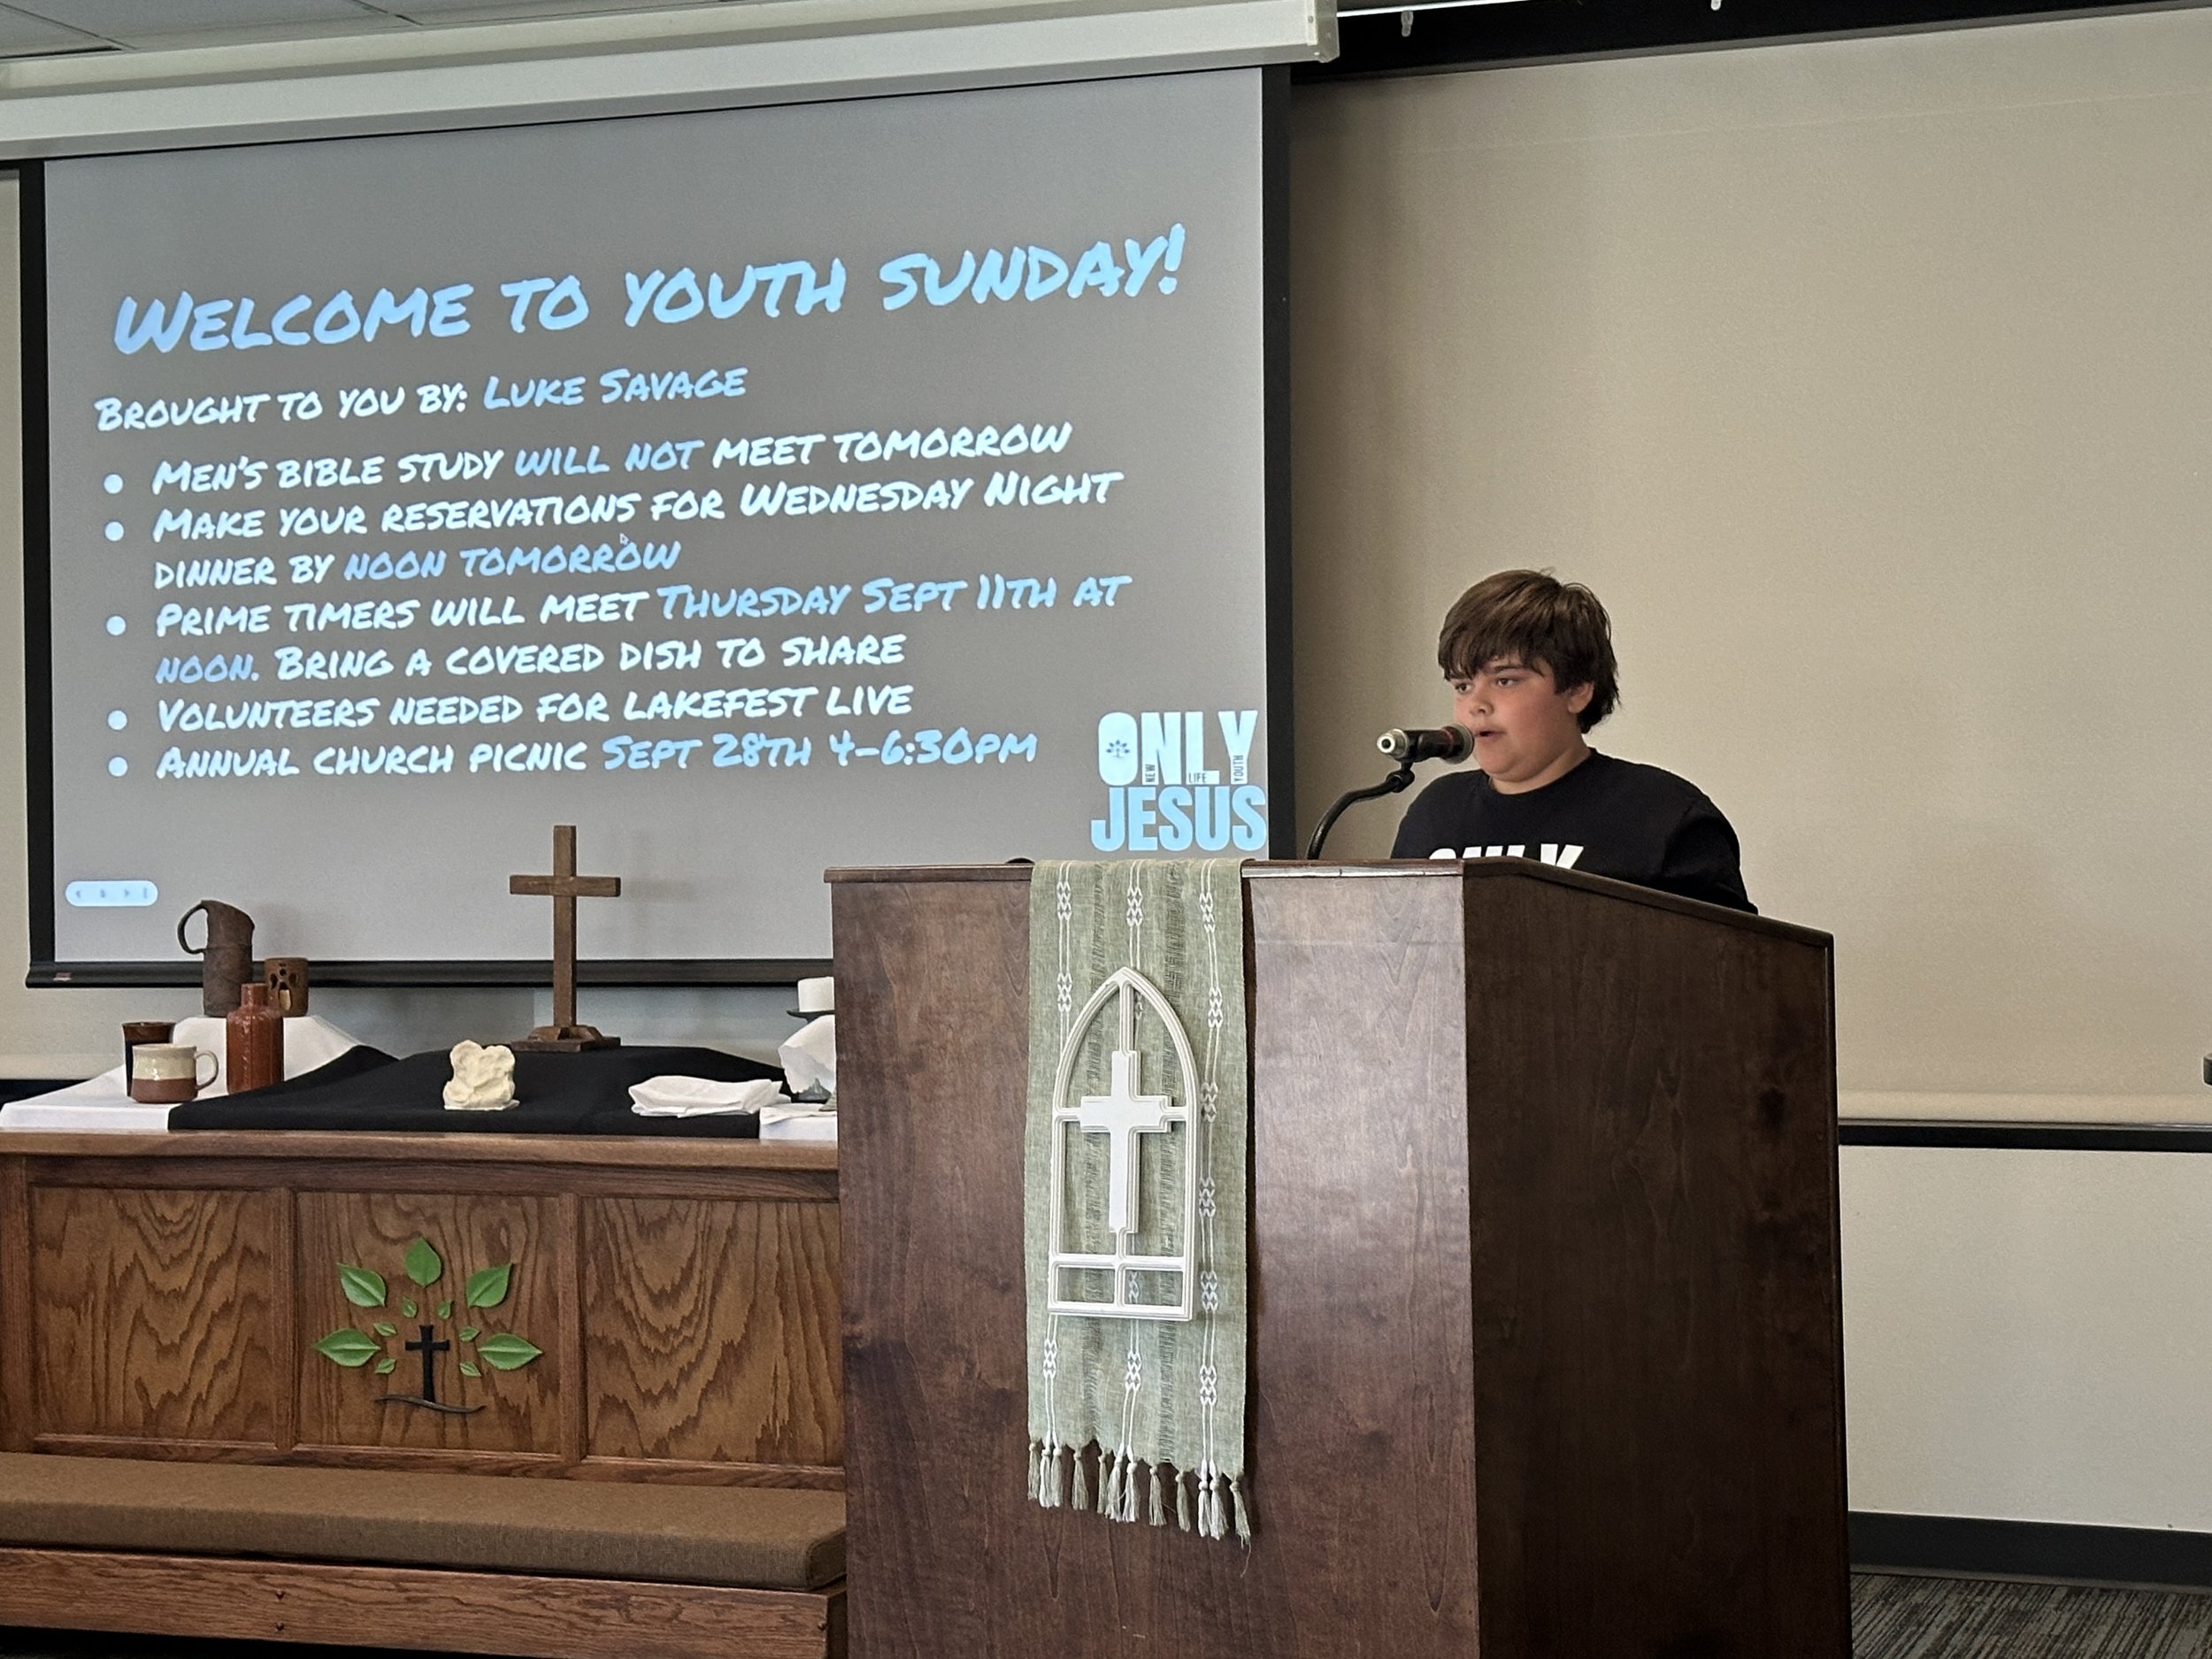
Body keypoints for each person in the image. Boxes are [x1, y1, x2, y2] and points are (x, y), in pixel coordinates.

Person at [1389, 568, 1754, 912]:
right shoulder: (1435, 813)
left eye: (1506, 680)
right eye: (1463, 686)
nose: (1476, 705)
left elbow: (1735, 965)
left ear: (1578, 689)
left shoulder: (1664, 814)